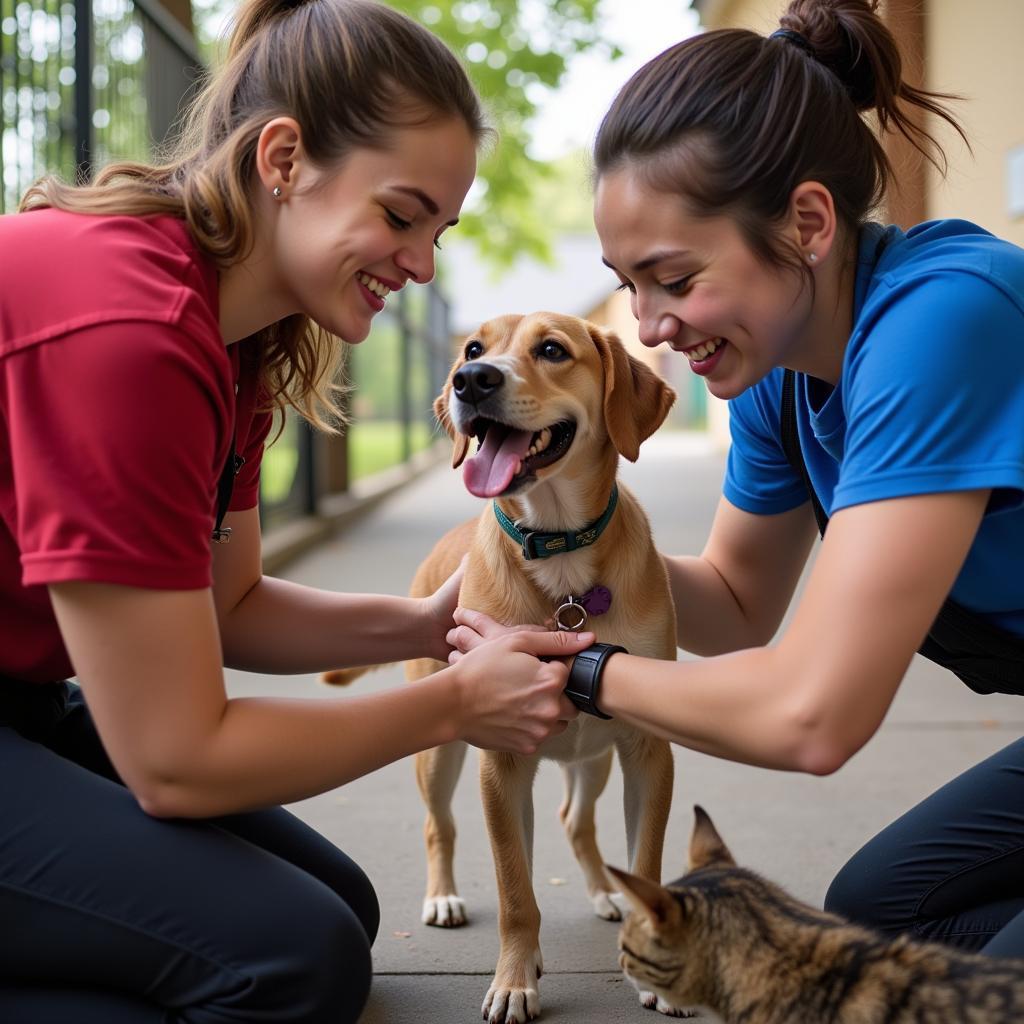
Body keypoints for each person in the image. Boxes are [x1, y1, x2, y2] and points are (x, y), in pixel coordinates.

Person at [0, 1, 593, 1020]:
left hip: (22, 694)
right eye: (402, 215)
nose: (422, 263)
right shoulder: (129, 332)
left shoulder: (234, 339)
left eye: (438, 230)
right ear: (283, 159)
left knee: (339, 906)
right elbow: (178, 759)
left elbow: (228, 606)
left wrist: (430, 623)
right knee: (289, 962)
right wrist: (451, 704)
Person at [448, 0, 1024, 962]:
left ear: (807, 222)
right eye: (629, 283)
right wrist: (552, 550)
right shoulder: (783, 373)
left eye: (673, 278)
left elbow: (814, 716)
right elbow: (735, 602)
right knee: (886, 914)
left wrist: (580, 668)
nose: (650, 323)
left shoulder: (943, 319)